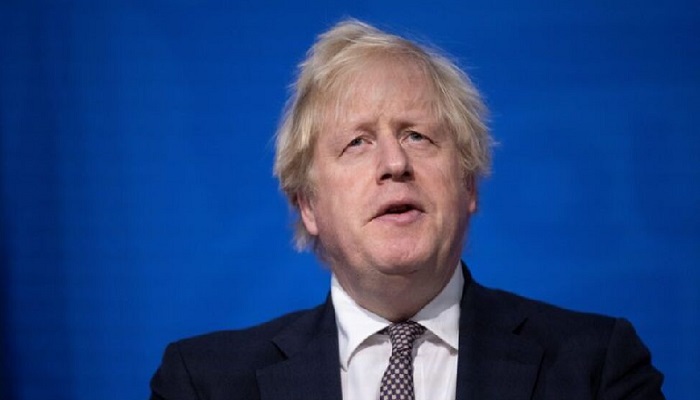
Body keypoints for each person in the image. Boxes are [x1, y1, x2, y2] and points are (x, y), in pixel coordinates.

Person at [149, 19, 664, 400]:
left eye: (417, 136)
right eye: (357, 142)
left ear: (468, 185)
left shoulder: (596, 367)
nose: (394, 163)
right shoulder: (204, 383)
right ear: (308, 205)